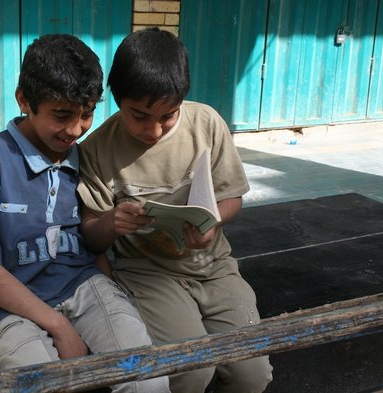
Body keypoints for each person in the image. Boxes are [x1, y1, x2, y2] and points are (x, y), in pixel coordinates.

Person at [0, 34, 169, 393]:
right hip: (11, 308)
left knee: (146, 378)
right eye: (62, 115)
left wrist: (111, 296)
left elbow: (89, 239)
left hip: (83, 287)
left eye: (87, 114)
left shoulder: (80, 155)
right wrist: (59, 325)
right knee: (41, 384)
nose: (75, 129)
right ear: (24, 100)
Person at [77, 28, 273, 393]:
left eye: (168, 116)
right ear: (116, 100)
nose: (154, 130)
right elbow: (90, 233)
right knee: (190, 370)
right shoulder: (97, 149)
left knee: (252, 375)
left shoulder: (206, 124)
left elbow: (232, 198)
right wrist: (111, 222)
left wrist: (213, 222)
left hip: (215, 267)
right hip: (148, 274)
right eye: (139, 116)